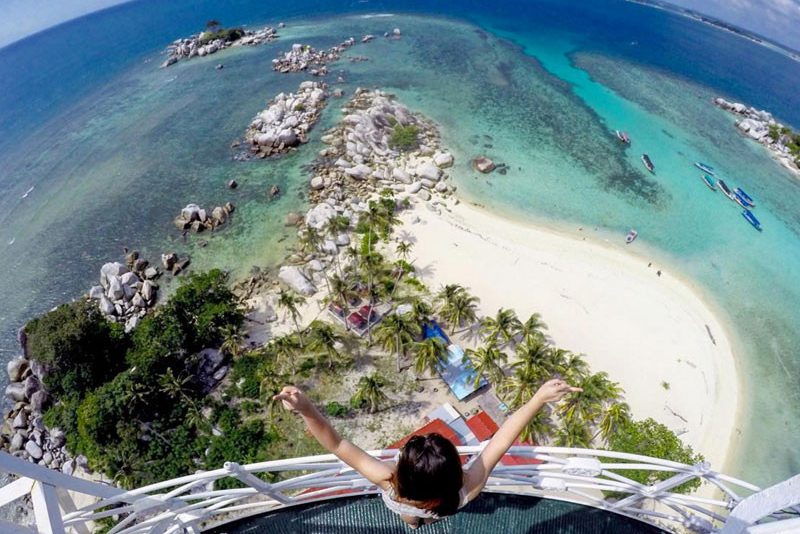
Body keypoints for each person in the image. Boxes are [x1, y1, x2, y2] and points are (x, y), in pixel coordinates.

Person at [274, 378, 582, 528]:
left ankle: (414, 526)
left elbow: (337, 444)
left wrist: (306, 409)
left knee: (412, 519)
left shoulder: (388, 481)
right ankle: (427, 522)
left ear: (402, 470)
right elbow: (502, 439)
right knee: (430, 516)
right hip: (442, 506)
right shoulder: (468, 488)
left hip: (404, 507)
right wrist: (539, 398)